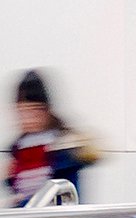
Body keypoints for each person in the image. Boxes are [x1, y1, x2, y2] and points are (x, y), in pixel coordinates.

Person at [8, 72, 97, 207]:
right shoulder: (19, 148)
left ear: (46, 111)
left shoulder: (63, 146)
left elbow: (63, 196)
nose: (28, 118)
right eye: (22, 111)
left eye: (35, 111)